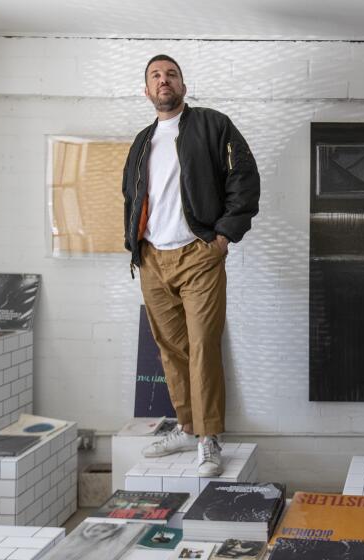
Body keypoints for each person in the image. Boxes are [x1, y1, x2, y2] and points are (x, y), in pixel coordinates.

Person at [122, 54, 260, 476]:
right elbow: (131, 198)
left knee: (202, 346)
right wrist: (136, 245)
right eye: (156, 76)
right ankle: (186, 426)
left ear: (183, 84)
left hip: (198, 254)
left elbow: (245, 178)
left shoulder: (212, 125)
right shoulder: (143, 141)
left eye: (171, 75)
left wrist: (223, 236)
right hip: (151, 258)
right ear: (147, 90)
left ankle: (209, 438)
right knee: (171, 349)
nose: (164, 81)